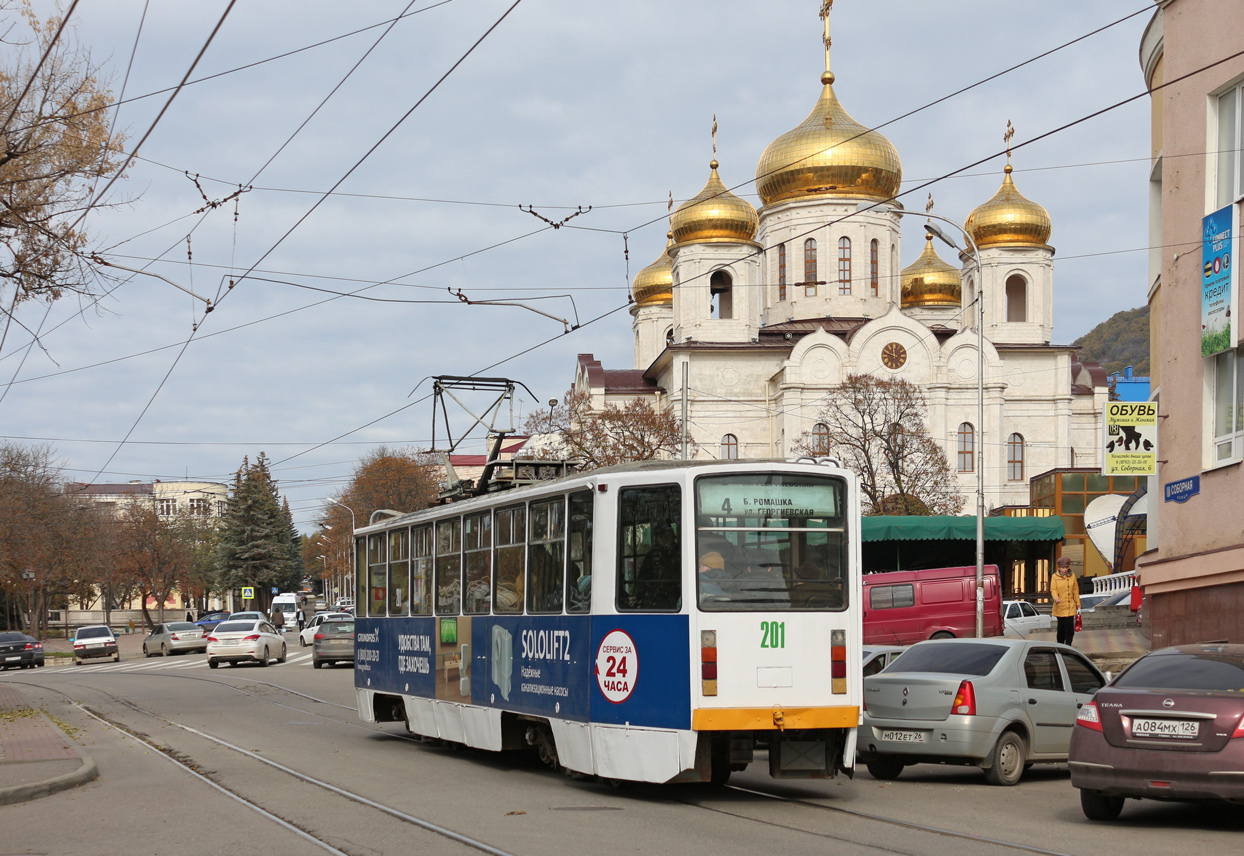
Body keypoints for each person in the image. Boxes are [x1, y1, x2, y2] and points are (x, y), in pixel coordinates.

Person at [1051, 556, 1081, 646]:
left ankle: (1068, 643)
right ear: (1059, 568)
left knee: (1069, 627)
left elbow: (1075, 590)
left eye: (1066, 568)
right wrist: (1056, 598)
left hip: (1070, 606)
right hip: (1060, 605)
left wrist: (1078, 603)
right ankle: (1060, 644)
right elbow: (1053, 589)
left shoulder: (1073, 576)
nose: (1065, 570)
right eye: (1063, 568)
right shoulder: (1055, 577)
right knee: (1061, 627)